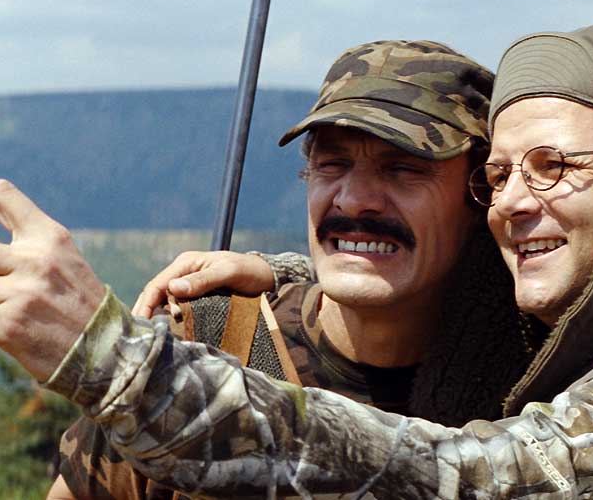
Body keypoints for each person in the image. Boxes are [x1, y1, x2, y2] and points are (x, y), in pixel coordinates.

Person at [0, 23, 593, 498]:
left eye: (405, 168)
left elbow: (449, 480)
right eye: (330, 162)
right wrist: (293, 277)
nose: (521, 199)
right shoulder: (211, 328)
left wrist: (107, 358)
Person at [46, 40, 532, 500]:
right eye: (331, 164)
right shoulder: (204, 346)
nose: (354, 200)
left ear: (481, 192)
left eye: (402, 169)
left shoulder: (531, 390)